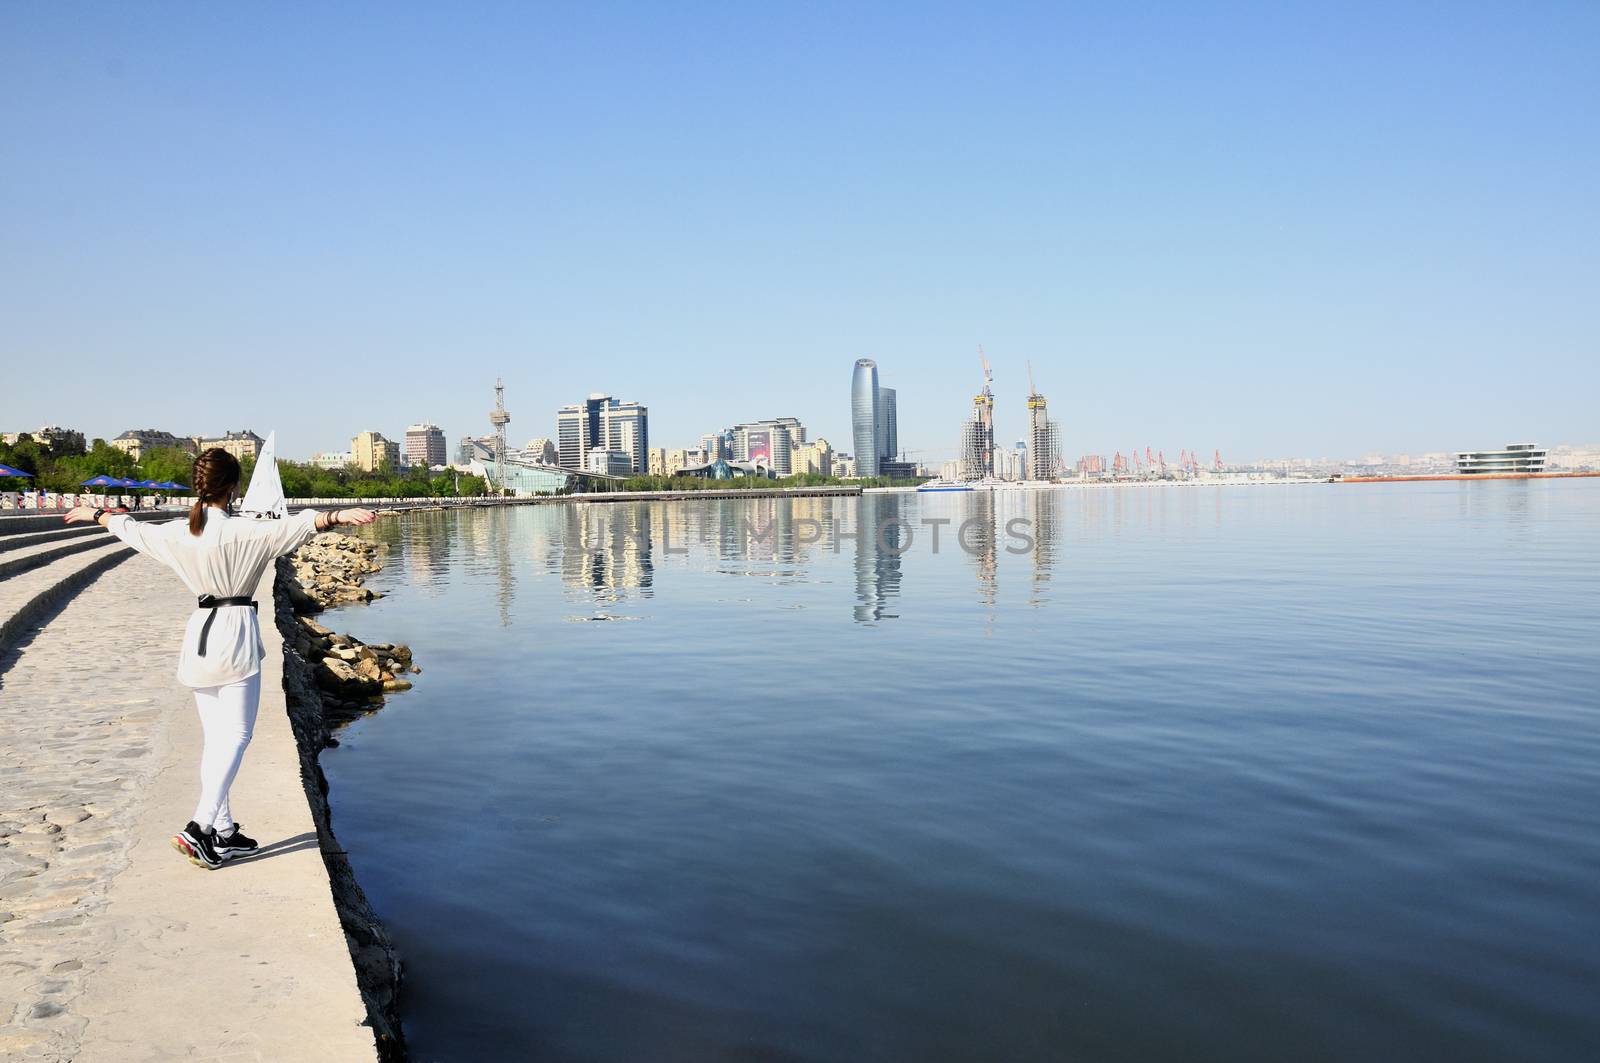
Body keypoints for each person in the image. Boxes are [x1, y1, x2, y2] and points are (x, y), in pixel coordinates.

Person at [65, 447, 376, 870]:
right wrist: (338, 516)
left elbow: (133, 530)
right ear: (232, 488)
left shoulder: (179, 532)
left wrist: (100, 516)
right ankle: (199, 826)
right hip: (234, 637)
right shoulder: (244, 533)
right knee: (237, 735)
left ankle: (224, 830)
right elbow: (298, 526)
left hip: (199, 638)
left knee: (216, 738)